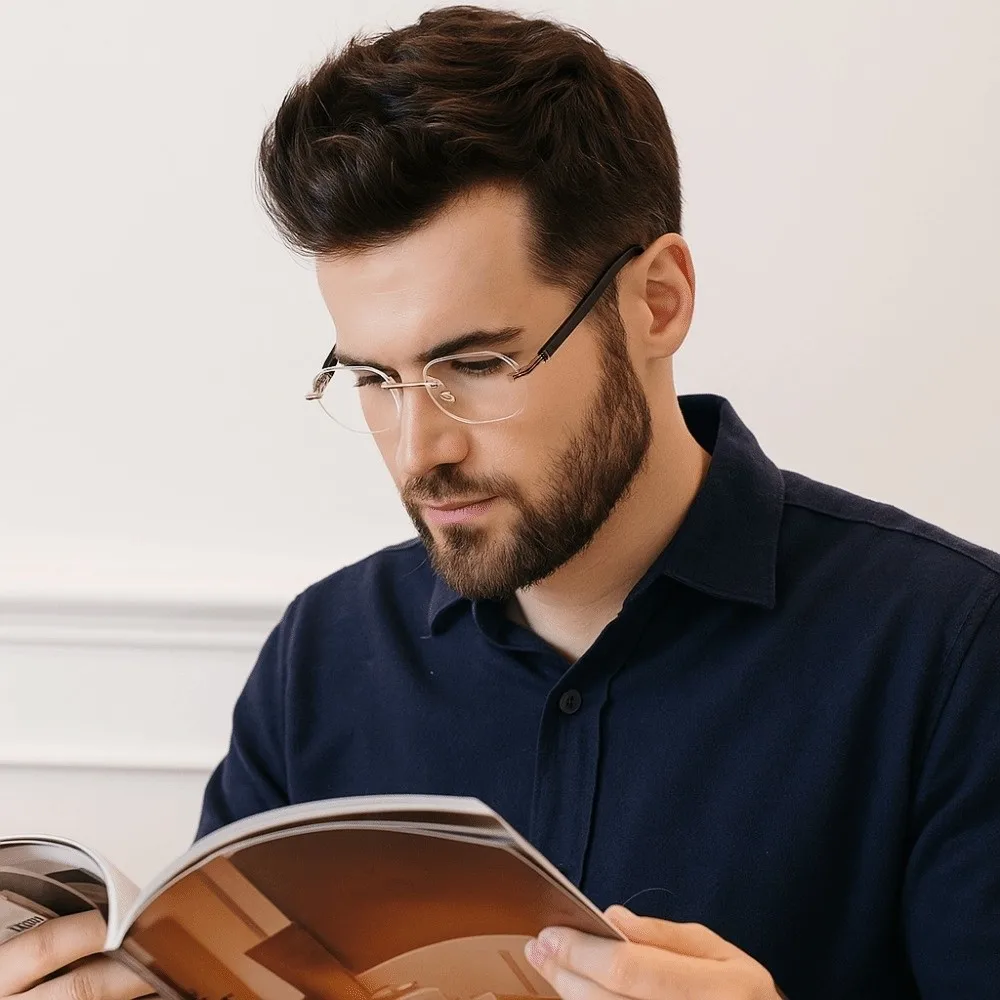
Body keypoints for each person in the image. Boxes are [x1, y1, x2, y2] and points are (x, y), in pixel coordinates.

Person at [4, 5, 998, 1000]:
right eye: (373, 379)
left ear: (656, 301)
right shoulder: (321, 657)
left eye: (473, 363)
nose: (416, 448)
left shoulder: (953, 653)